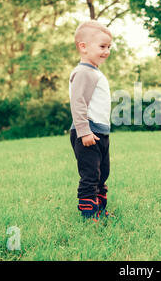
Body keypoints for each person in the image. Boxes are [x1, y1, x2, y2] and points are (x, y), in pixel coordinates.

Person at [69, 20, 112, 221]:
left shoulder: (94, 72)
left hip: (100, 133)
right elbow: (78, 103)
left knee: (102, 173)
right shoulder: (83, 73)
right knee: (90, 175)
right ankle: (89, 214)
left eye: (108, 47)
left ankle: (101, 209)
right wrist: (84, 131)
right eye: (102, 46)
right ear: (83, 47)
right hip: (87, 133)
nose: (106, 51)